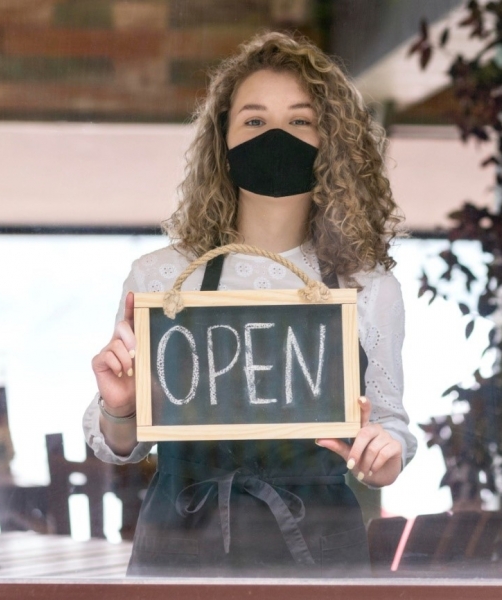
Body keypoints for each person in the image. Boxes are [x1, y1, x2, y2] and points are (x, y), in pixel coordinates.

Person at [83, 31, 416, 577]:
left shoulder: (369, 287)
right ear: (224, 141)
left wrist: (383, 456)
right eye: (255, 121)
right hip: (179, 547)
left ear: (331, 142)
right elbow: (118, 447)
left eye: (300, 121)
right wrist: (120, 408)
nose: (276, 136)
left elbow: (388, 426)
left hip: (320, 556)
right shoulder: (161, 277)